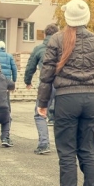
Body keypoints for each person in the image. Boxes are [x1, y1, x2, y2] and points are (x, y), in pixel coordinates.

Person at [37, 0, 94, 186]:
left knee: (66, 149)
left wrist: (42, 102)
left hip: (67, 98)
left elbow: (46, 73)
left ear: (67, 18)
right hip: (91, 97)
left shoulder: (57, 39)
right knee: (89, 147)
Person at [24, 23, 60, 154]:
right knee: (63, 115)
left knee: (40, 113)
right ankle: (66, 145)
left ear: (45, 35)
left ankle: (44, 144)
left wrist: (27, 81)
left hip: (46, 84)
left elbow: (30, 66)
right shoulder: (64, 48)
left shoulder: (39, 49)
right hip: (63, 84)